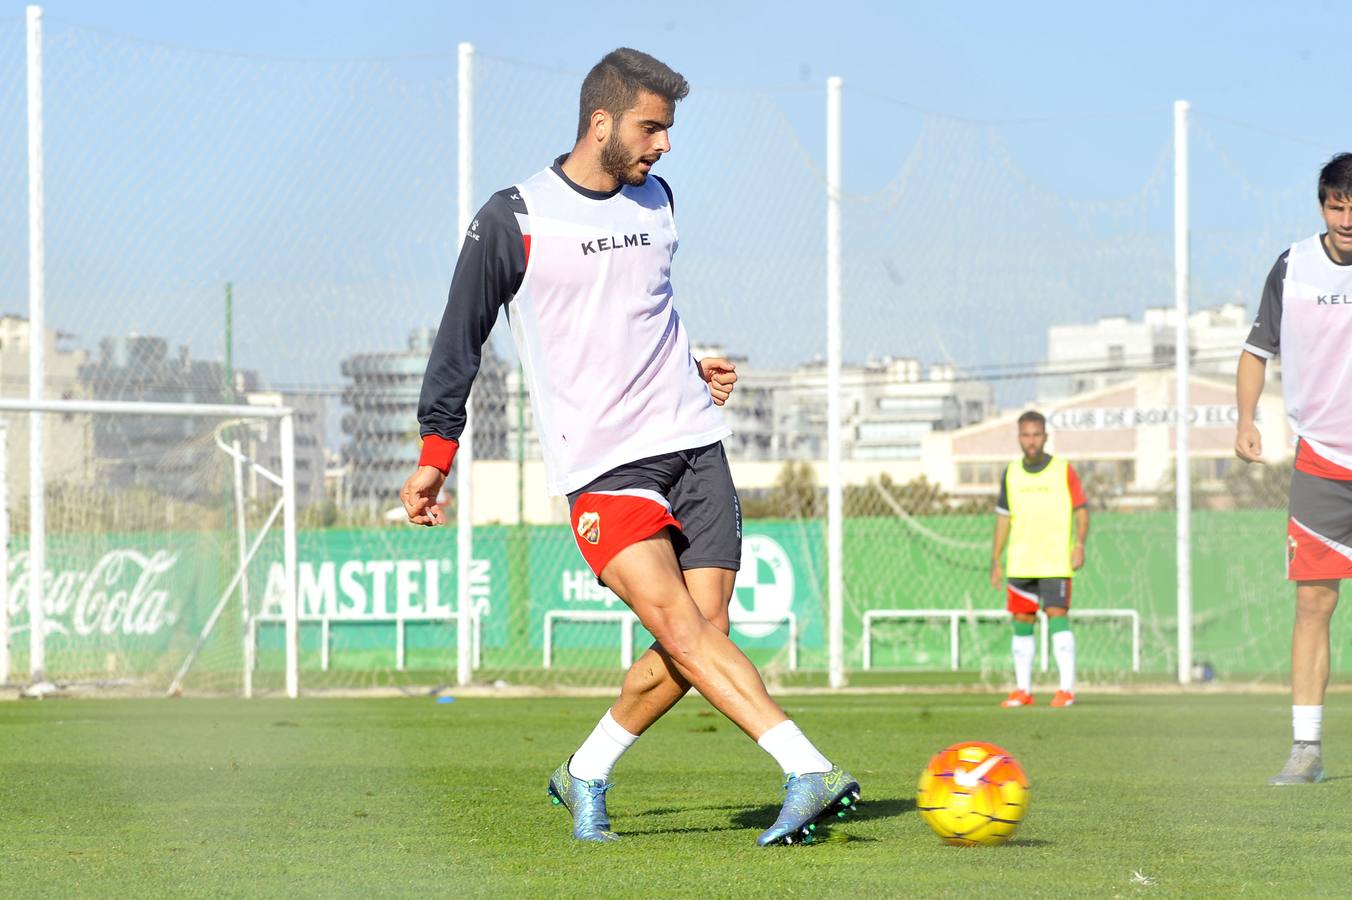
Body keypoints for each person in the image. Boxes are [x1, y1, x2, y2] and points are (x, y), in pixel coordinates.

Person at [400, 48, 858, 844]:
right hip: (605, 465)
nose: (665, 145)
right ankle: (804, 766)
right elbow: (458, 340)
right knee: (682, 626)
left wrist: (690, 363)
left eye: (669, 130)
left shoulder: (659, 200)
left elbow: (634, 315)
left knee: (700, 636)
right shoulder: (516, 218)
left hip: (694, 444)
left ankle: (585, 770)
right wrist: (435, 458)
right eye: (652, 127)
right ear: (600, 121)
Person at [1236, 152, 1352, 786]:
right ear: (1322, 206)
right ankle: (1305, 748)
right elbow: (1256, 351)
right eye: (1337, 205)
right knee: (1313, 603)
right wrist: (1246, 419)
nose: (1346, 218)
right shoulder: (1294, 265)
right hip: (1323, 462)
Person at [989, 410, 1089, 708]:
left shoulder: (1063, 469)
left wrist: (1079, 544)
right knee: (1022, 621)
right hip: (1021, 561)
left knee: (1057, 616)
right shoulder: (1011, 472)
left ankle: (1066, 690)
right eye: (1025, 435)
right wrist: (996, 558)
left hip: (1055, 561)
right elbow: (1003, 518)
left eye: (1036, 434)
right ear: (1019, 437)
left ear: (1045, 437)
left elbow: (1081, 510)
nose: (1031, 441)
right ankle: (1023, 690)